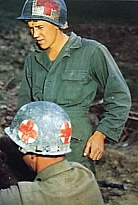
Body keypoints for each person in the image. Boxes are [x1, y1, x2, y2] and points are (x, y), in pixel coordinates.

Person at [17, 0, 131, 172]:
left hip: (75, 147)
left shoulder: (91, 52)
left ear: (58, 24)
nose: (35, 34)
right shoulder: (33, 60)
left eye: (40, 27)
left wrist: (101, 134)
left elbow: (119, 96)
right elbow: (25, 105)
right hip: (38, 145)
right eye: (31, 28)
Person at [0, 101, 104, 205]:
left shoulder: (30, 196)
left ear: (31, 152)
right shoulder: (83, 174)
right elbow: (32, 150)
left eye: (20, 147)